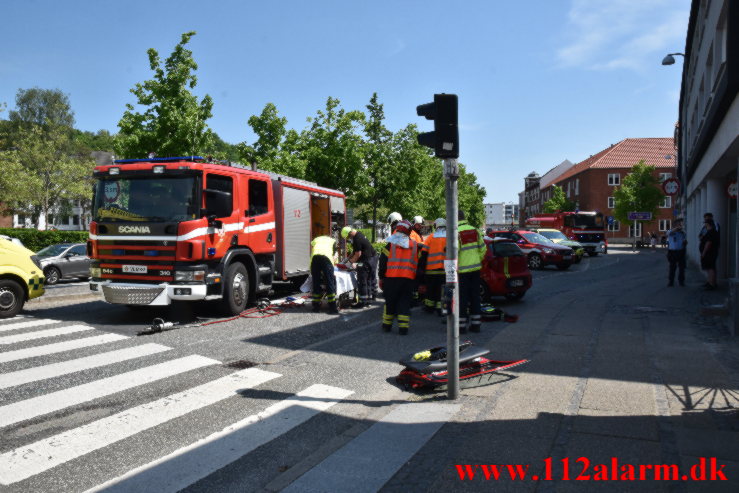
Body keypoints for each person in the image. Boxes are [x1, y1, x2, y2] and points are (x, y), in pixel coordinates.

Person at [378, 220, 425, 335]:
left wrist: (381, 277)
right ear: (409, 231)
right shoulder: (414, 246)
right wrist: (420, 281)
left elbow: (383, 262)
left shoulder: (390, 245)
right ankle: (403, 328)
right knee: (404, 303)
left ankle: (387, 326)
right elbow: (421, 264)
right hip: (408, 280)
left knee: (390, 302)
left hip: (391, 279)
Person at [457, 210, 487, 333]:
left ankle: (461, 326)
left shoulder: (456, 232)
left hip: (462, 270)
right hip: (475, 269)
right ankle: (476, 325)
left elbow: (454, 252)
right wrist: (477, 260)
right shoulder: (475, 230)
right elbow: (483, 249)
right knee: (475, 296)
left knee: (462, 298)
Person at [341, 226, 378, 308]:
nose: (347, 239)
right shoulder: (359, 235)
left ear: (349, 234)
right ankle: (368, 301)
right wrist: (347, 259)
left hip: (366, 261)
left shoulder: (356, 240)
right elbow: (355, 251)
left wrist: (349, 263)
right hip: (371, 259)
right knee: (368, 280)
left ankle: (362, 302)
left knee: (362, 281)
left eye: (347, 237)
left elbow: (358, 254)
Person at [422, 218, 447, 317]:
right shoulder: (449, 237)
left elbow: (424, 253)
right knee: (443, 291)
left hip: (431, 270)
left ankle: (429, 308)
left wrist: (422, 268)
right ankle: (441, 308)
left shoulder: (431, 237)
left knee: (431, 290)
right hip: (445, 271)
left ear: (436, 226)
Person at [309, 235, 339, 314]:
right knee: (329, 282)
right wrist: (334, 264)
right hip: (326, 259)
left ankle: (316, 307)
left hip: (315, 259)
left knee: (316, 282)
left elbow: (312, 247)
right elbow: (334, 255)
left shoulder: (316, 239)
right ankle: (333, 308)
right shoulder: (333, 241)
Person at [666, 220, 687, 287]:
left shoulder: (682, 233)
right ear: (674, 225)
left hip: (681, 251)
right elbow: (669, 233)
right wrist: (677, 228)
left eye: (680, 225)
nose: (680, 226)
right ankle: (671, 281)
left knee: (682, 268)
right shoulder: (670, 232)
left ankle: (681, 281)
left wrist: (685, 243)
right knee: (672, 267)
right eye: (679, 225)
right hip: (672, 252)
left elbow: (684, 241)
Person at [700, 219, 719, 290]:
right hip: (710, 253)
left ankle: (712, 284)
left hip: (709, 253)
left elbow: (708, 243)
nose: (704, 224)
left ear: (708, 224)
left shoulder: (711, 232)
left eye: (705, 223)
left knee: (710, 268)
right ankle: (709, 282)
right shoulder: (711, 232)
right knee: (709, 268)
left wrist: (703, 253)